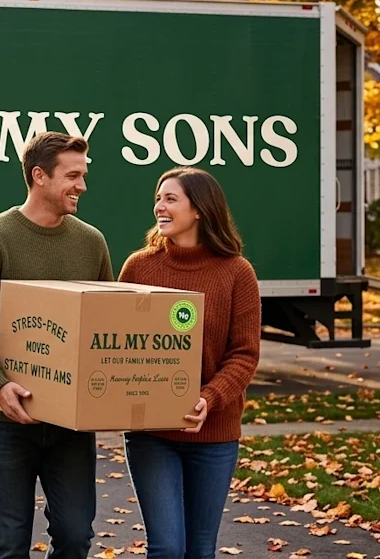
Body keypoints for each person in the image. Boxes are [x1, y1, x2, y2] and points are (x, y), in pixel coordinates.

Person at [0, 131, 114, 559]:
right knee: (10, 543)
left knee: (75, 536)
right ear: (39, 176)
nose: (82, 185)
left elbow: (105, 327)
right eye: (72, 176)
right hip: (5, 419)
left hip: (70, 426)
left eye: (83, 175)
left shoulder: (91, 243)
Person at [117, 167, 261, 559]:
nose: (159, 207)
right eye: (158, 198)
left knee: (199, 550)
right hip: (151, 432)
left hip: (213, 433)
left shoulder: (237, 273)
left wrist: (208, 399)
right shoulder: (138, 268)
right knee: (166, 548)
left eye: (170, 199)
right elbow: (117, 344)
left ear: (199, 209)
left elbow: (245, 353)